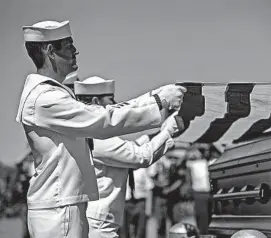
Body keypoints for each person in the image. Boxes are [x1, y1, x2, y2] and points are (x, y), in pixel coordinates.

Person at [17, 19, 186, 238]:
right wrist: (160, 103)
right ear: (50, 51)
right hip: (59, 210)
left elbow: (107, 113)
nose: (75, 51)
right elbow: (103, 119)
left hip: (64, 206)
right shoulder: (46, 98)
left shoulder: (50, 95)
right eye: (68, 46)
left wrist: (156, 97)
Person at [74, 76, 181, 238]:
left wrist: (164, 130)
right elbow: (141, 156)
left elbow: (134, 147)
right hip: (99, 224)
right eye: (110, 99)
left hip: (98, 220)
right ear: (96, 101)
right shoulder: (97, 138)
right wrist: (170, 129)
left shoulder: (89, 133)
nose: (115, 104)